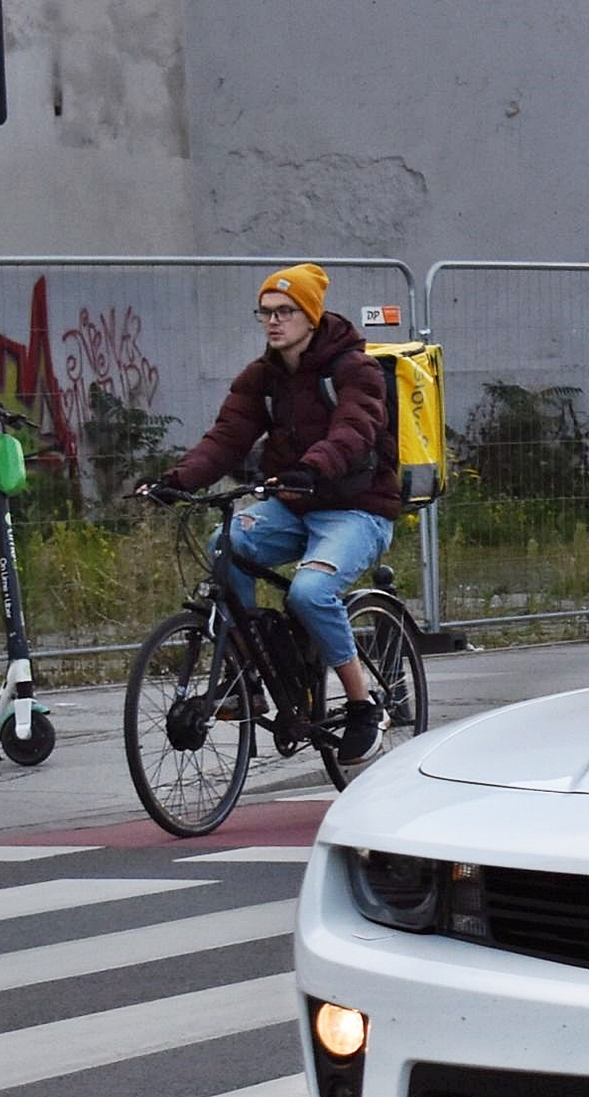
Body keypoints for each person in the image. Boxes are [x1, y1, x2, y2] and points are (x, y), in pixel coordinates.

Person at [141, 262, 400, 764]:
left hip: (357, 510)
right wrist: (177, 479)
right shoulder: (263, 378)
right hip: (293, 505)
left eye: (285, 312)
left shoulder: (355, 370)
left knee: (310, 591)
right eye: (265, 313)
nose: (274, 322)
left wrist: (313, 467)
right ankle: (251, 677)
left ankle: (363, 704)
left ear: (311, 315)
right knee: (226, 547)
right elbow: (228, 437)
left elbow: (355, 428)